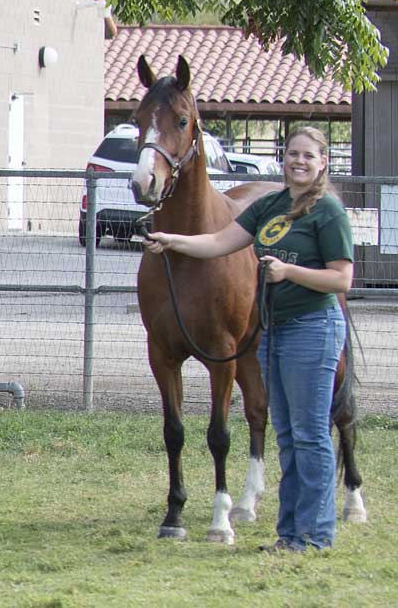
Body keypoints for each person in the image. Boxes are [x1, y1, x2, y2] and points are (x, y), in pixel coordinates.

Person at [146, 127, 354, 553]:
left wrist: (289, 272)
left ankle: (316, 533)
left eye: (308, 156)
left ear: (322, 163)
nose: (298, 161)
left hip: (313, 328)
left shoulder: (328, 211)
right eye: (292, 153)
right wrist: (172, 241)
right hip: (274, 331)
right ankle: (291, 533)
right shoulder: (273, 206)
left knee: (311, 433)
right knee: (288, 433)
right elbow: (222, 241)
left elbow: (342, 277)